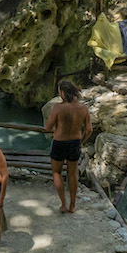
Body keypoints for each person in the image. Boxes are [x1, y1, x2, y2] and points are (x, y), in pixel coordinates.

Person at [45, 81, 90, 214]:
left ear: (63, 92)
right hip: (75, 143)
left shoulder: (58, 108)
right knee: (72, 173)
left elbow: (48, 127)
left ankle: (63, 204)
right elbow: (88, 129)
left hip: (59, 142)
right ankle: (72, 205)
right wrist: (81, 141)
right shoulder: (83, 108)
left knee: (57, 173)